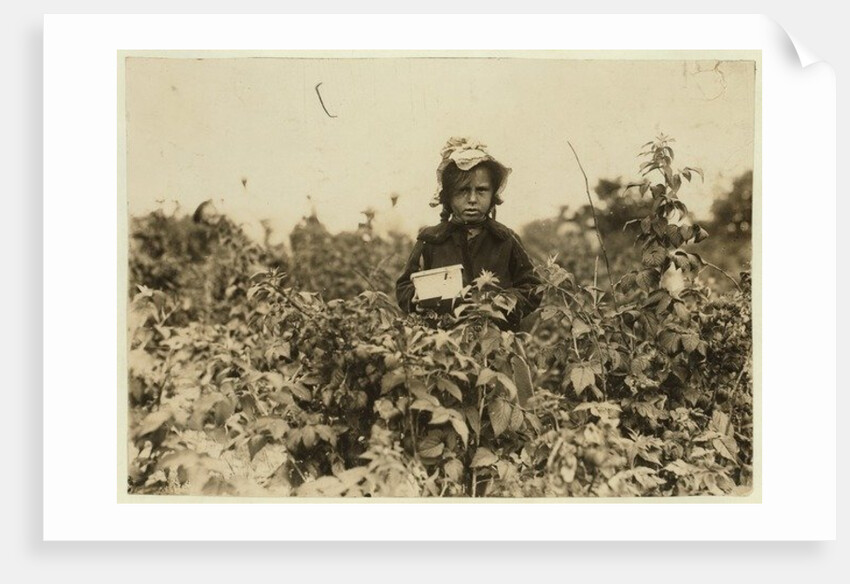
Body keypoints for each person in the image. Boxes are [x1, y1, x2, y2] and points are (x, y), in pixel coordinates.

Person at [395, 138, 541, 330]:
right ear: (447, 196)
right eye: (463, 190)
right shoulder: (430, 240)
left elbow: (531, 288)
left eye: (481, 190)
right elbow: (404, 286)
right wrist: (415, 299)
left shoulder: (506, 239)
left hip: (496, 342)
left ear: (493, 195)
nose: (472, 199)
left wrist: (500, 305)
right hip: (443, 342)